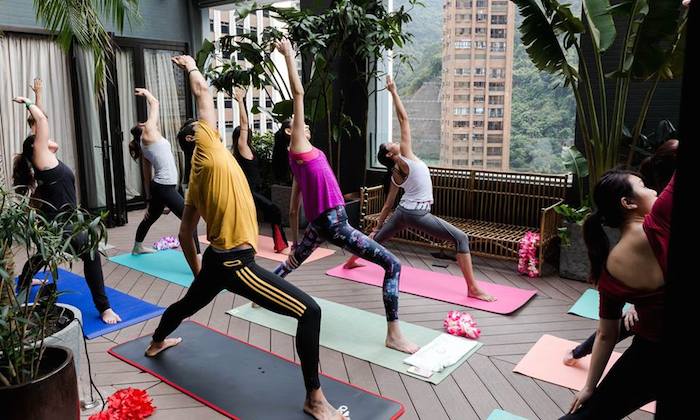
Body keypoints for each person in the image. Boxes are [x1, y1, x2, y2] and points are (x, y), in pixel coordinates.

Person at [144, 54, 343, 420]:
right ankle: (314, 398)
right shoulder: (206, 150)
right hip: (237, 263)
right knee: (310, 311)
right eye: (204, 128)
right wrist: (190, 65)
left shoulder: (198, 176)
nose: (212, 127)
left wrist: (199, 270)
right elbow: (202, 92)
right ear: (194, 137)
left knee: (188, 305)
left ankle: (156, 340)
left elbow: (186, 233)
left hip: (219, 261)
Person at [270, 39, 418, 354]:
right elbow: (297, 94)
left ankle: (263, 292)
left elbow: (296, 204)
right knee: (392, 265)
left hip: (321, 221)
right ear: (290, 132)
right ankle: (393, 334)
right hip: (333, 221)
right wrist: (287, 56)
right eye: (300, 125)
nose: (305, 126)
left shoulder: (301, 158)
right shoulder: (297, 148)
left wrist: (297, 239)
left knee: (293, 262)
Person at [342, 76, 495, 302]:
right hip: (416, 214)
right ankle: (473, 288)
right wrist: (393, 92)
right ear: (389, 154)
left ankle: (351, 261)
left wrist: (378, 225)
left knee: (375, 240)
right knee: (461, 238)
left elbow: (388, 204)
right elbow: (404, 119)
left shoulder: (395, 175)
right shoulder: (405, 158)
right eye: (391, 144)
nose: (395, 141)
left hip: (403, 213)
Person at [561, 169, 673, 418]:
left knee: (589, 414)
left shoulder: (609, 269)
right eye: (644, 186)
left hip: (649, 358)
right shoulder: (661, 220)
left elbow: (606, 334)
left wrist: (589, 387)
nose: (654, 191)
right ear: (628, 202)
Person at [12, 95, 121, 324]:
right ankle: (105, 308)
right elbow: (41, 122)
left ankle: (23, 282)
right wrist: (28, 102)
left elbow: (40, 121)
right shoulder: (41, 159)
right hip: (63, 224)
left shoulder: (48, 158)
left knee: (43, 256)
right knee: (91, 256)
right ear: (36, 147)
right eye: (42, 139)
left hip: (62, 221)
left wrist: (39, 97)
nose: (49, 139)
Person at [128, 88, 200, 255]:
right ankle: (198, 256)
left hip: (160, 187)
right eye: (143, 122)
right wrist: (147, 93)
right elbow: (155, 103)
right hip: (164, 187)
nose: (146, 121)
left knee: (150, 217)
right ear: (144, 128)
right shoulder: (149, 134)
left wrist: (149, 200)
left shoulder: (145, 143)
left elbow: (147, 176)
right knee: (190, 219)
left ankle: (137, 247)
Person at [231, 87, 288, 252]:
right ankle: (281, 245)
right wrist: (240, 101)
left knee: (256, 216)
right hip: (248, 191)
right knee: (274, 210)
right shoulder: (242, 147)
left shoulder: (247, 149)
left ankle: (244, 241)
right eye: (247, 133)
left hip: (254, 189)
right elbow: (243, 124)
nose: (249, 133)